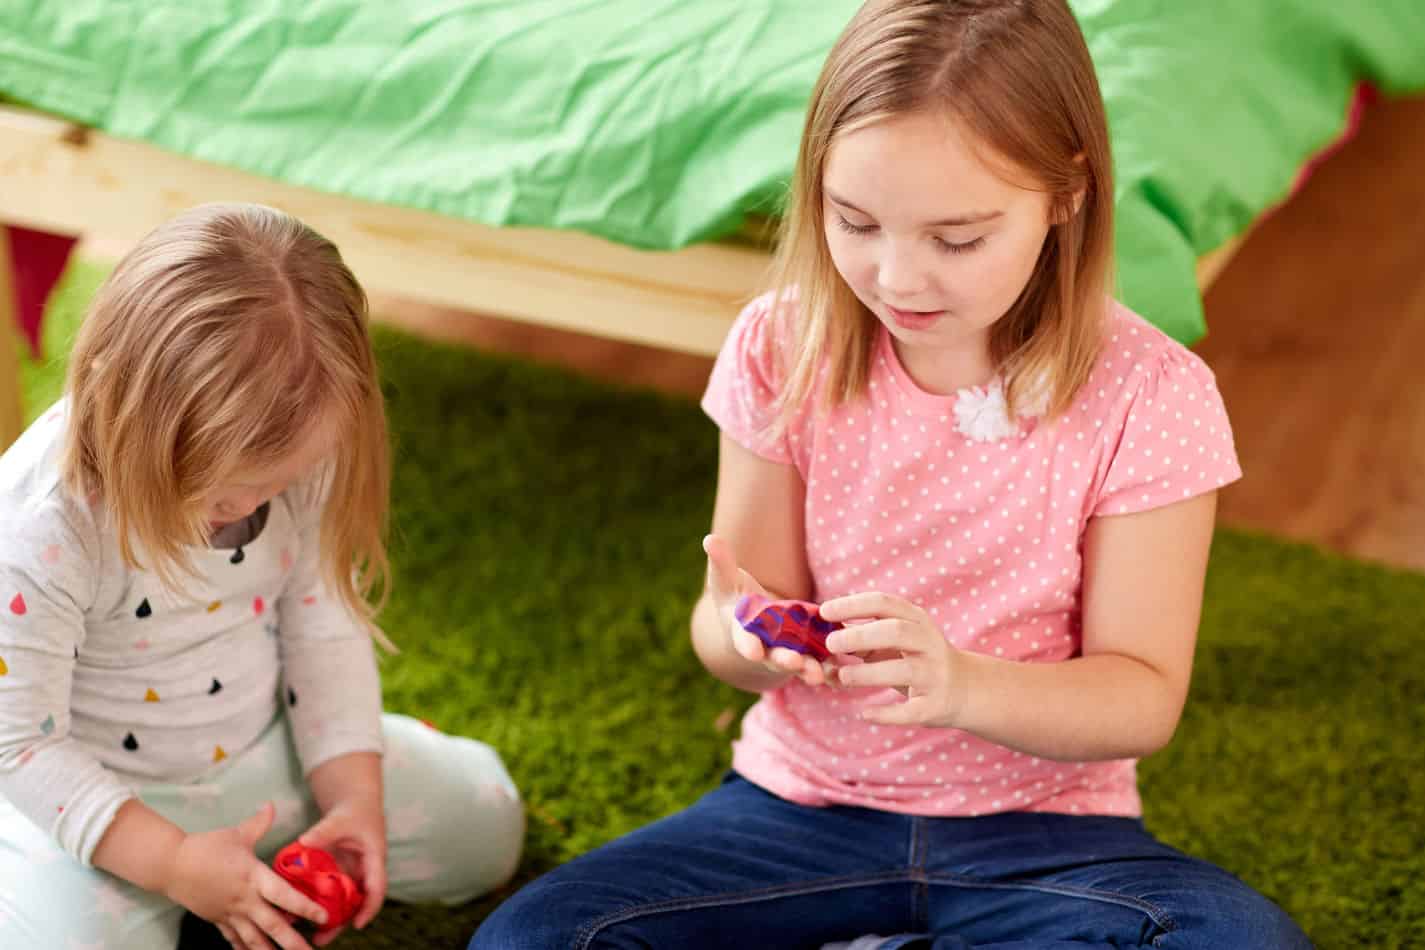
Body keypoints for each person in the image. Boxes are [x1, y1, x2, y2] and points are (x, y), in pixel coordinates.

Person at [471, 1, 1310, 947]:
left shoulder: (1150, 393)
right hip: (795, 812)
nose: (898, 279)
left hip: (1048, 842)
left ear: (1067, 194)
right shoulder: (779, 345)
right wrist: (746, 636)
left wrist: (959, 686)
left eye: (957, 239)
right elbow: (727, 621)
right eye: (855, 221)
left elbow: (1141, 697)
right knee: (532, 939)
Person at [0, 203, 524, 949]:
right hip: (104, 801)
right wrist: (175, 863)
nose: (247, 508)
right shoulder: (40, 522)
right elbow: (20, 744)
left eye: (274, 483)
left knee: (487, 827)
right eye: (220, 491)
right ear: (131, 410)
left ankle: (247, 859)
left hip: (263, 759)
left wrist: (353, 797)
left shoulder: (299, 444)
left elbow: (323, 632)